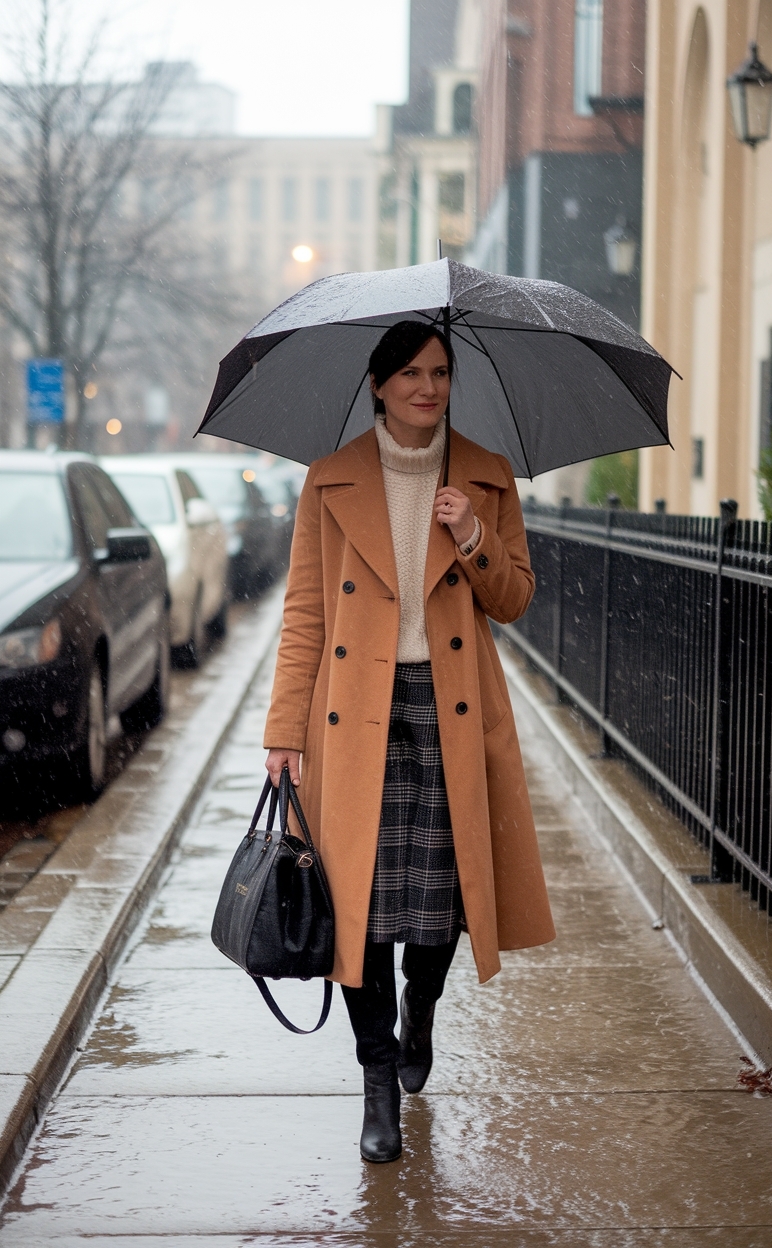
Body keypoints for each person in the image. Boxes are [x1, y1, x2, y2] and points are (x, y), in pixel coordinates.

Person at [264, 320, 554, 1163]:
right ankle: (377, 1075)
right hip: (355, 716)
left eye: (441, 372)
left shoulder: (488, 480)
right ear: (380, 383)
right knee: (358, 910)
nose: (429, 387)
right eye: (412, 374)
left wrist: (473, 537)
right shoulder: (330, 481)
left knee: (440, 905)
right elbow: (306, 614)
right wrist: (285, 732)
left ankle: (420, 1004)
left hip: (451, 711)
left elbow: (515, 600)